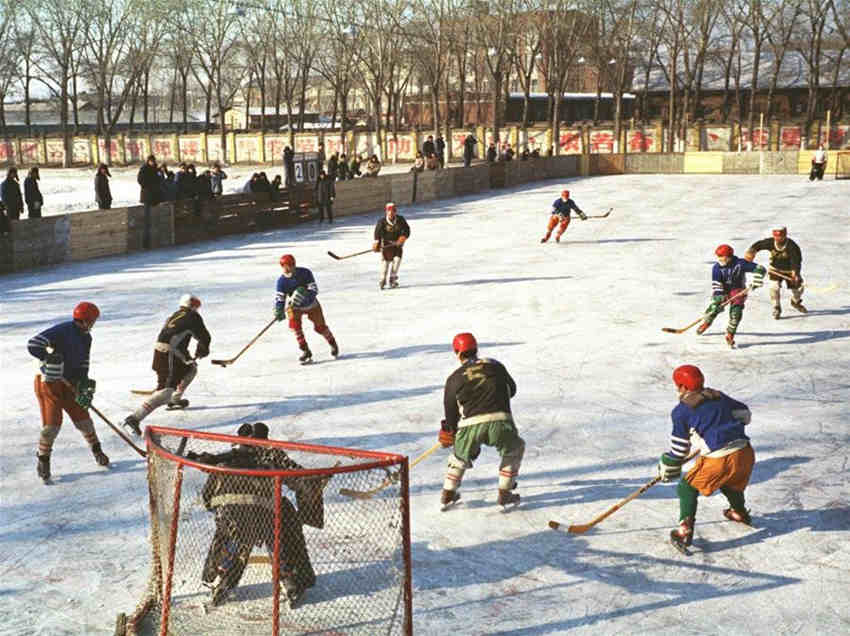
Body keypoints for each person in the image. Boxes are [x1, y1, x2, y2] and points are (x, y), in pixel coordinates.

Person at [191, 422, 319, 608]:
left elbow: (208, 496)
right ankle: (290, 578)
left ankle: (222, 577)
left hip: (233, 514)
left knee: (236, 531)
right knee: (277, 520)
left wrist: (216, 509)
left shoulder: (223, 459)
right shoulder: (272, 454)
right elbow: (298, 478)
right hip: (262, 513)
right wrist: (315, 480)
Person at [658, 365, 755, 553]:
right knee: (730, 482)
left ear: (683, 387)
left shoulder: (681, 411)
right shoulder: (717, 395)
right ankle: (739, 513)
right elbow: (745, 415)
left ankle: (684, 531)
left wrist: (668, 462)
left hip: (719, 457)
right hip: (745, 452)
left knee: (687, 487)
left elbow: (679, 450)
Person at [438, 333, 525, 509]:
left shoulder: (454, 378)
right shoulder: (495, 365)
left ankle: (448, 493)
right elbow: (512, 389)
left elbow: (450, 410)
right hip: (501, 420)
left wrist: (452, 432)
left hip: (469, 425)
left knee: (459, 457)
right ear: (476, 349)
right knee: (514, 449)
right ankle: (505, 492)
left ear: (457, 353)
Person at [27, 302, 108, 482]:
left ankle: (97, 451)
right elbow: (33, 344)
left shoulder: (87, 337)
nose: (94, 324)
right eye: (93, 320)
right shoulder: (63, 330)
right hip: (49, 383)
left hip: (70, 383)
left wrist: (83, 382)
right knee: (52, 426)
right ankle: (43, 459)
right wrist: (48, 357)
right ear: (86, 321)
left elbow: (84, 362)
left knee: (84, 420)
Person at [122, 294, 211, 437]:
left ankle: (175, 400)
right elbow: (204, 336)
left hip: (169, 352)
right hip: (169, 354)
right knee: (165, 391)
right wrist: (203, 349)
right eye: (196, 306)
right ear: (193, 306)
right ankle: (134, 418)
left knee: (191, 368)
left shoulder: (175, 314)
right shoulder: (193, 316)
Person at [696, 245, 766, 347]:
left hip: (738, 290)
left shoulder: (740, 264)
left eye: (722, 256)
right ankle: (706, 322)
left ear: (729, 256)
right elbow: (716, 283)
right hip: (723, 290)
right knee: (714, 307)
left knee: (736, 312)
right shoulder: (716, 267)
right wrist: (719, 295)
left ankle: (730, 333)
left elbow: (760, 269)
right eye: (718, 256)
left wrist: (757, 280)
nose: (720, 259)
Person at [274, 254, 339, 364]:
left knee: (320, 327)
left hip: (311, 304)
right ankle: (305, 350)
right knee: (295, 327)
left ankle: (332, 342)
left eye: (291, 265)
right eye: (285, 266)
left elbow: (314, 289)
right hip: (294, 306)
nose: (288, 268)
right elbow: (280, 297)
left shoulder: (305, 273)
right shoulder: (281, 281)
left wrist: (305, 296)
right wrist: (279, 309)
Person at [745, 226, 805, 319]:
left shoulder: (792, 246)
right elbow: (759, 245)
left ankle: (795, 301)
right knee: (774, 288)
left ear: (785, 235)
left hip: (790, 271)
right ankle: (776, 307)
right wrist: (751, 252)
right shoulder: (770, 242)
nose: (778, 239)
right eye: (776, 237)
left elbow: (796, 260)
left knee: (799, 290)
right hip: (775, 270)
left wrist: (795, 273)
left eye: (781, 237)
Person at [372, 202, 411, 290]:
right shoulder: (382, 222)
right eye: (389, 211)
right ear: (386, 212)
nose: (391, 213)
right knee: (386, 262)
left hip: (397, 244)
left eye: (393, 211)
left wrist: (402, 238)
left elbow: (407, 230)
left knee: (397, 260)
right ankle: (383, 279)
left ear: (395, 211)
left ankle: (393, 278)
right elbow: (377, 233)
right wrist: (377, 242)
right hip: (387, 245)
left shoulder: (400, 220)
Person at [137, 155, 160, 248]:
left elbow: (158, 180)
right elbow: (140, 180)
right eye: (151, 161)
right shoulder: (144, 169)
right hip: (147, 197)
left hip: (155, 197)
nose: (153, 162)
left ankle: (153, 242)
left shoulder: (155, 169)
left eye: (153, 161)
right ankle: (145, 244)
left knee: (155, 220)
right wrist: (148, 186)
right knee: (147, 222)